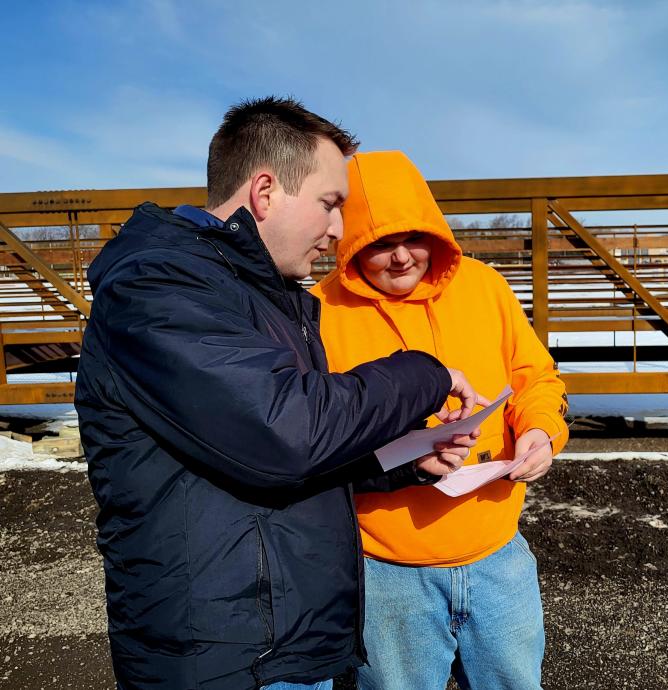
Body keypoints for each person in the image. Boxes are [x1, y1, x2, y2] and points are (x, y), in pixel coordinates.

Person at [74, 98, 482, 690]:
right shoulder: (159, 284)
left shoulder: (264, 295)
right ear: (265, 192)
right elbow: (285, 433)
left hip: (286, 641)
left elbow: (275, 461)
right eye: (330, 203)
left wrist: (400, 460)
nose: (339, 230)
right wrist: (425, 372)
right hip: (224, 656)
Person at [313, 150, 569, 689]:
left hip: (499, 554)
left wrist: (541, 431)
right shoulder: (318, 314)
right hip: (386, 572)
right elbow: (314, 443)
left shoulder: (484, 286)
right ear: (350, 239)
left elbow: (535, 378)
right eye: (381, 243)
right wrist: (407, 455)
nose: (403, 258)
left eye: (415, 238)